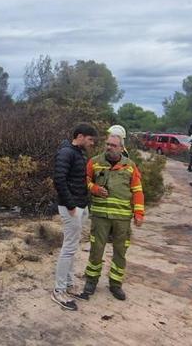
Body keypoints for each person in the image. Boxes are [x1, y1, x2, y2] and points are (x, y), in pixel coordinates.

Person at [79, 133, 144, 301]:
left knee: (120, 251)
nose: (109, 147)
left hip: (122, 218)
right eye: (107, 144)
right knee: (96, 249)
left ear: (121, 148)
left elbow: (137, 190)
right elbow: (84, 181)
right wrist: (94, 189)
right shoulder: (94, 162)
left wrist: (139, 213)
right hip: (100, 216)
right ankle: (91, 281)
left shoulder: (130, 166)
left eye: (113, 145)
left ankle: (115, 284)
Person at [51, 122, 98, 311]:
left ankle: (69, 285)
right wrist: (71, 204)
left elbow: (78, 179)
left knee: (72, 247)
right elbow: (59, 180)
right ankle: (59, 290)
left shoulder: (78, 153)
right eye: (90, 139)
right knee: (68, 249)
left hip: (80, 205)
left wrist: (84, 205)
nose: (92, 143)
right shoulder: (66, 152)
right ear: (80, 136)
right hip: (71, 207)